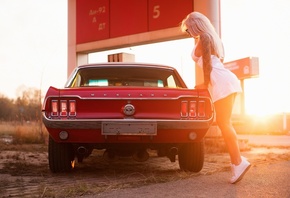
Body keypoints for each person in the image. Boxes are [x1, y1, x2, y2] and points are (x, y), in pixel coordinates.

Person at [180, 12, 251, 184]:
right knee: (225, 123)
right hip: (225, 80)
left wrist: (205, 84)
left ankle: (238, 162)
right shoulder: (212, 38)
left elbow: (207, 62)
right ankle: (237, 163)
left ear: (196, 25)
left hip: (221, 81)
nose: (189, 33)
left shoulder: (204, 37)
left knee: (224, 123)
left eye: (189, 29)